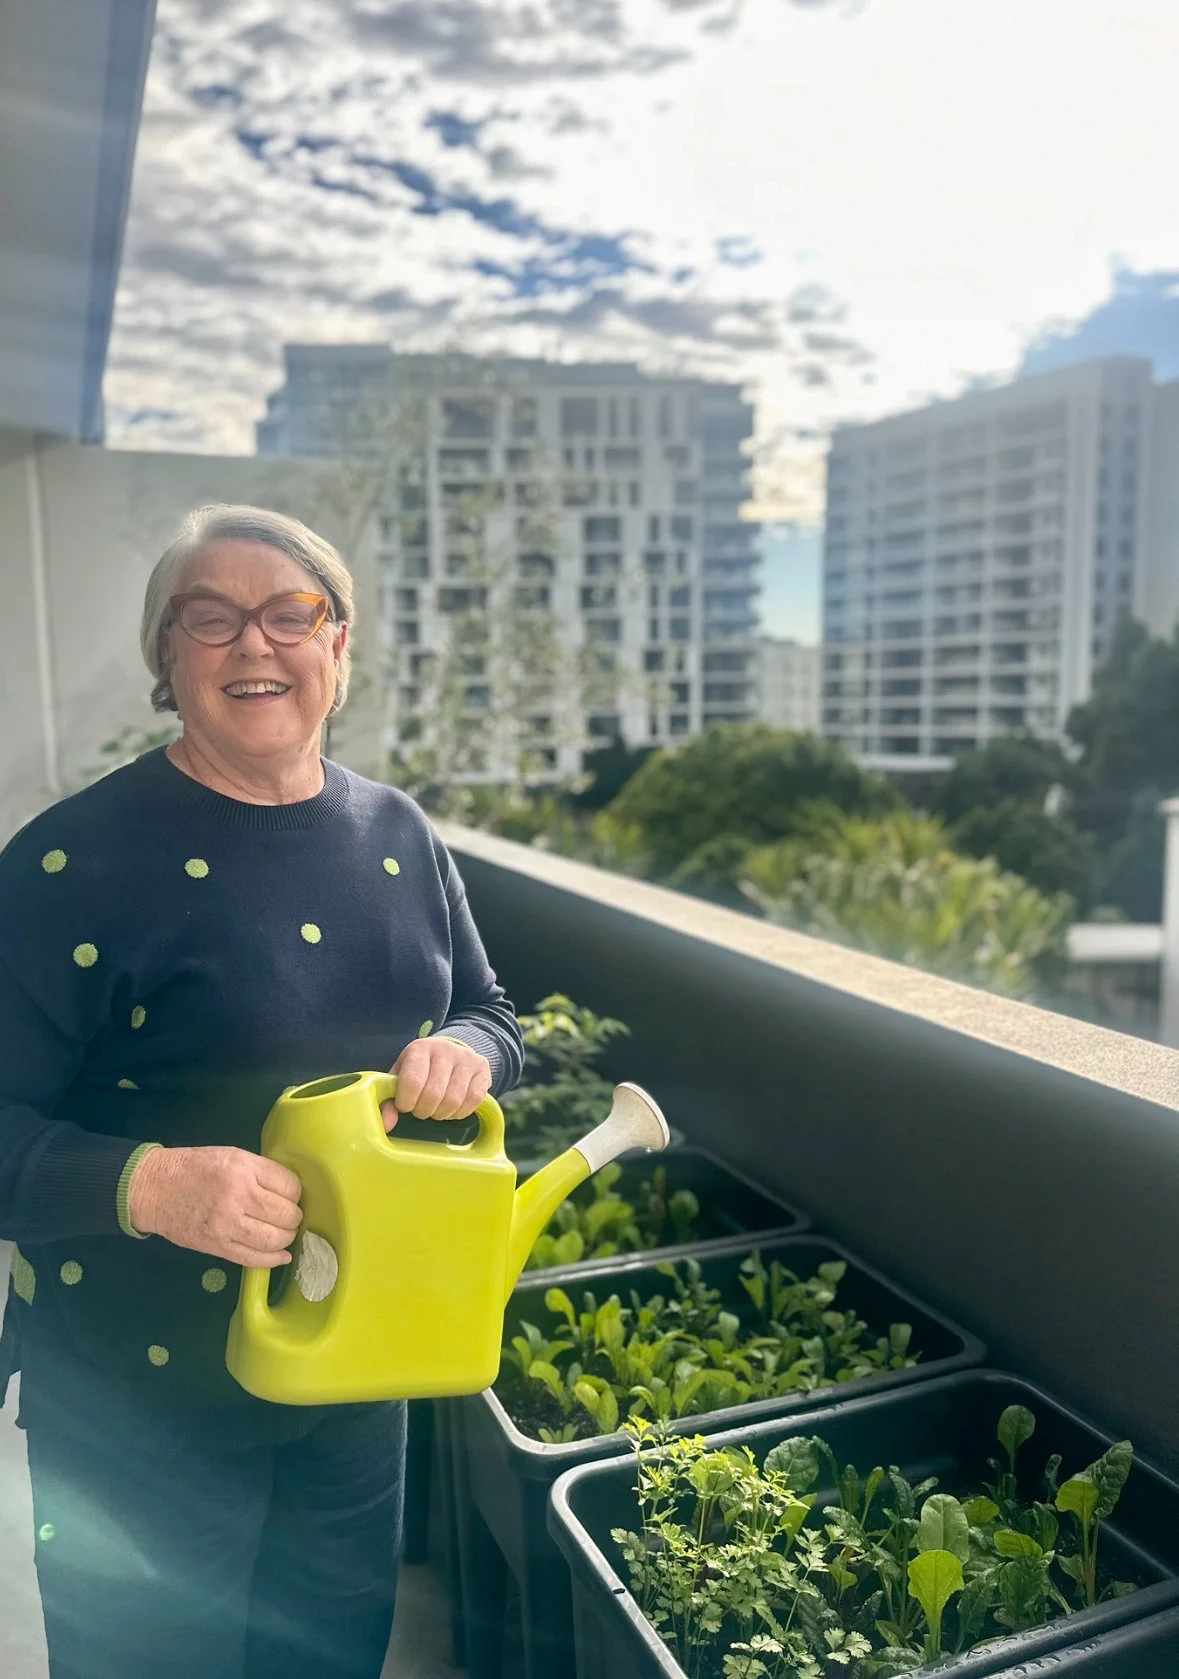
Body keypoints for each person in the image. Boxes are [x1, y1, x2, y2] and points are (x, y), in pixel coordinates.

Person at [0, 504, 525, 1679]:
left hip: (359, 1375)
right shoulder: (68, 865)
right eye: (212, 616)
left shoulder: (399, 834)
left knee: (331, 1656)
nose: (255, 645)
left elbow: (495, 1009)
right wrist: (147, 1183)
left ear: (339, 650)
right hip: (135, 1401)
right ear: (167, 658)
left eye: (293, 613)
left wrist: (472, 1053)